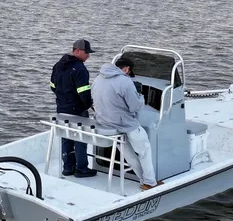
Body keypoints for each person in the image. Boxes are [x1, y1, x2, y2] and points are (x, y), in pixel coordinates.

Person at [92, 57, 162, 191]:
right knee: (144, 150)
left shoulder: (98, 79)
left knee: (128, 153)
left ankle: (145, 180)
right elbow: (135, 107)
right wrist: (140, 95)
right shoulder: (125, 81)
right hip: (125, 124)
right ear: (127, 69)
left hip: (106, 123)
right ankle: (150, 182)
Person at [50, 39, 98, 178]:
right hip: (77, 110)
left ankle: (68, 167)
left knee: (66, 136)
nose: (88, 55)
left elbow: (52, 86)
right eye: (86, 52)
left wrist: (63, 98)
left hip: (61, 108)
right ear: (77, 51)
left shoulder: (58, 65)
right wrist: (89, 105)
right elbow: (84, 93)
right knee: (81, 137)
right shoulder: (80, 69)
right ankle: (82, 168)